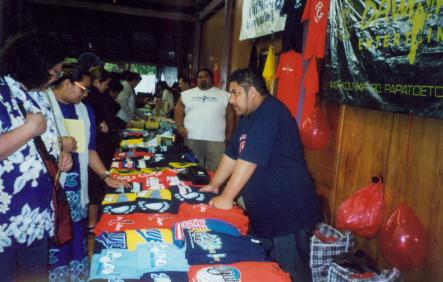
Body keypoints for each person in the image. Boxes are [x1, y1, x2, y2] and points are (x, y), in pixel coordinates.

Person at [201, 68, 322, 282]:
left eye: (236, 92)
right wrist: (214, 184)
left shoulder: (270, 113)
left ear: (253, 92)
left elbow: (249, 160)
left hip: (289, 211)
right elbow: (232, 154)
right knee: (266, 271)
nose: (231, 100)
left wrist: (227, 197)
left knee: (291, 273)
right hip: (267, 211)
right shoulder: (248, 116)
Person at [0, 31, 73, 282]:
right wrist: (28, 129)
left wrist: (62, 154)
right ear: (32, 66)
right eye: (53, 72)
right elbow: (31, 133)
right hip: (5, 220)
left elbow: (48, 141)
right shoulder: (1, 93)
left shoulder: (40, 95)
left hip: (38, 214)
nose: (55, 78)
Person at [47, 63, 129, 281]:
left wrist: (106, 175)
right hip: (49, 189)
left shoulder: (85, 111)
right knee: (53, 239)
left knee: (75, 235)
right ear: (65, 84)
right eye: (82, 89)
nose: (86, 94)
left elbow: (89, 150)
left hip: (76, 187)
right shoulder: (41, 104)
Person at [174, 68, 235, 171]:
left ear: (211, 78)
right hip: (192, 137)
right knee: (192, 169)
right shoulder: (187, 95)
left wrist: (229, 133)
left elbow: (230, 115)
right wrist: (180, 127)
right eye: (200, 77)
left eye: (206, 76)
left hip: (216, 139)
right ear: (196, 80)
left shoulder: (224, 95)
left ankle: (213, 186)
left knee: (216, 170)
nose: (203, 79)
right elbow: (178, 110)